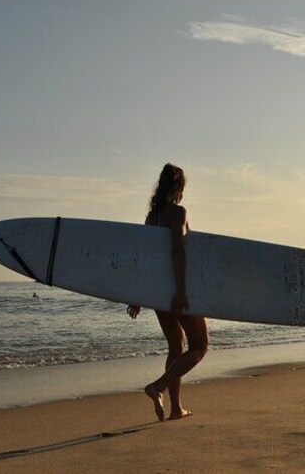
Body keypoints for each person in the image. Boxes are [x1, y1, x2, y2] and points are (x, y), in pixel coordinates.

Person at [127, 163, 208, 421]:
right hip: (177, 290)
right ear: (179, 188)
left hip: (158, 293)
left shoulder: (151, 219)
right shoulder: (178, 213)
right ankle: (157, 386)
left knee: (176, 347)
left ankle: (176, 409)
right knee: (199, 346)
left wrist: (138, 297)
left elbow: (146, 259)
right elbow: (178, 251)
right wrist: (182, 291)